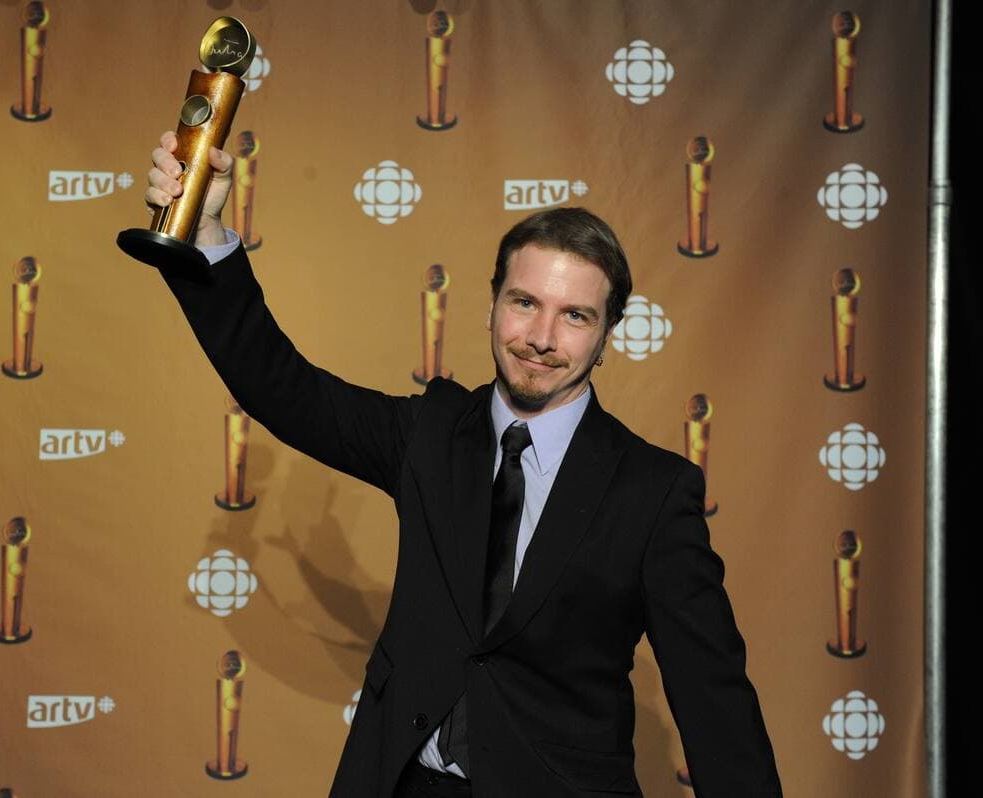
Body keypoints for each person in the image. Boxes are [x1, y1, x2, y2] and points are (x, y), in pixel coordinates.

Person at [145, 136, 783, 798]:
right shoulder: (430, 435)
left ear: (605, 338)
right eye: (525, 302)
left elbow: (715, 702)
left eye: (575, 316)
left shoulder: (652, 492)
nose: (541, 337)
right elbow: (282, 387)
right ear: (491, 306)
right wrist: (206, 227)